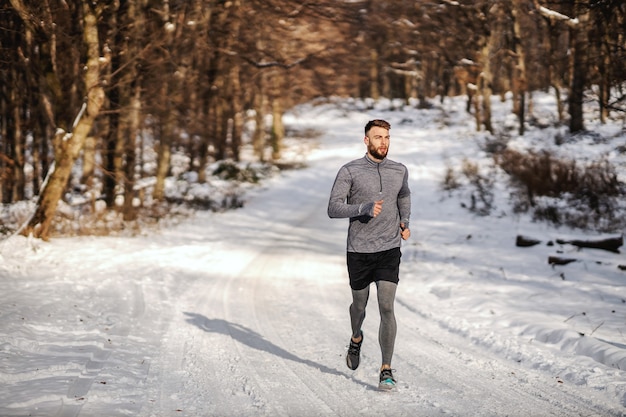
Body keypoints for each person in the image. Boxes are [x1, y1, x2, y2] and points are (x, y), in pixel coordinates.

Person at [327, 119, 411, 390]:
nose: (383, 142)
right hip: (359, 250)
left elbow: (404, 194)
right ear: (366, 140)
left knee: (386, 306)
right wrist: (362, 207)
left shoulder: (399, 170)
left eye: (387, 137)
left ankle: (386, 369)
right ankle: (355, 337)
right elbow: (333, 208)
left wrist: (405, 222)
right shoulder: (349, 171)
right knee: (359, 307)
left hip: (389, 248)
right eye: (378, 137)